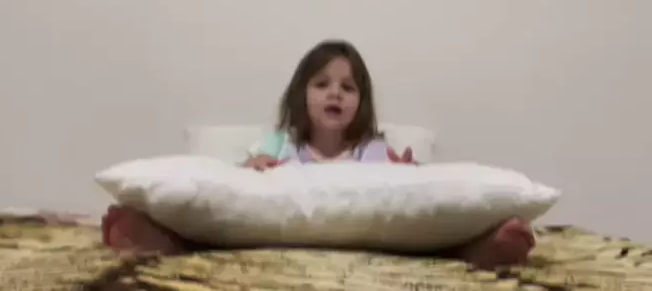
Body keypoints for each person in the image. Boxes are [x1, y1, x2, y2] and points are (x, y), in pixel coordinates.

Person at [102, 40, 535, 269]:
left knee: (428, 248)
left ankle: (479, 252)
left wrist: (408, 172)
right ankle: (162, 243)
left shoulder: (374, 151)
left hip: (367, 244)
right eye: (322, 84)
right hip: (277, 242)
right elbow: (231, 191)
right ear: (302, 94)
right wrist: (252, 168)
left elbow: (416, 197)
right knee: (216, 245)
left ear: (361, 103)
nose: (335, 94)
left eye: (348, 88)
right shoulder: (279, 145)